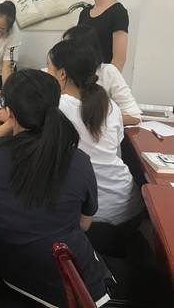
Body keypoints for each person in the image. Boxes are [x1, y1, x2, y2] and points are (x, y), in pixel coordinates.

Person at [0, 69, 109, 307]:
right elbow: (84, 224)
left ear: (10, 112)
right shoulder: (78, 160)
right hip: (80, 287)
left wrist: (11, 121)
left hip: (18, 277)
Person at [46, 40, 144, 256]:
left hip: (93, 219)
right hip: (131, 208)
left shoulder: (57, 106)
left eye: (49, 69)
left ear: (62, 74)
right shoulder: (110, 105)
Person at [63, 25, 141, 125]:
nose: (60, 51)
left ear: (84, 51)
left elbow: (134, 116)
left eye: (66, 47)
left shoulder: (108, 72)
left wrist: (97, 119)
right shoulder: (60, 72)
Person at [76, 0, 128, 71]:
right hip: (83, 77)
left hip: (104, 79)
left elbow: (119, 60)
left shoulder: (118, 12)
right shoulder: (84, 13)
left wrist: (106, 81)